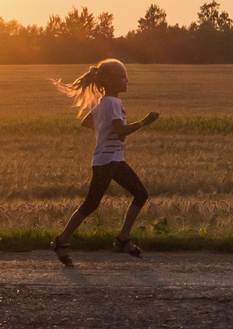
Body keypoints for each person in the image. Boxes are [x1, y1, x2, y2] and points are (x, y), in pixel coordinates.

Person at [49, 59, 159, 266]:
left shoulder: (105, 103)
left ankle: (123, 238)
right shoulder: (112, 102)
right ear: (109, 80)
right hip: (107, 161)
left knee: (139, 194)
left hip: (112, 159)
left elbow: (87, 122)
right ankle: (61, 241)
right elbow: (121, 131)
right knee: (92, 203)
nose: (126, 80)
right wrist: (146, 121)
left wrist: (103, 132)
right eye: (122, 77)